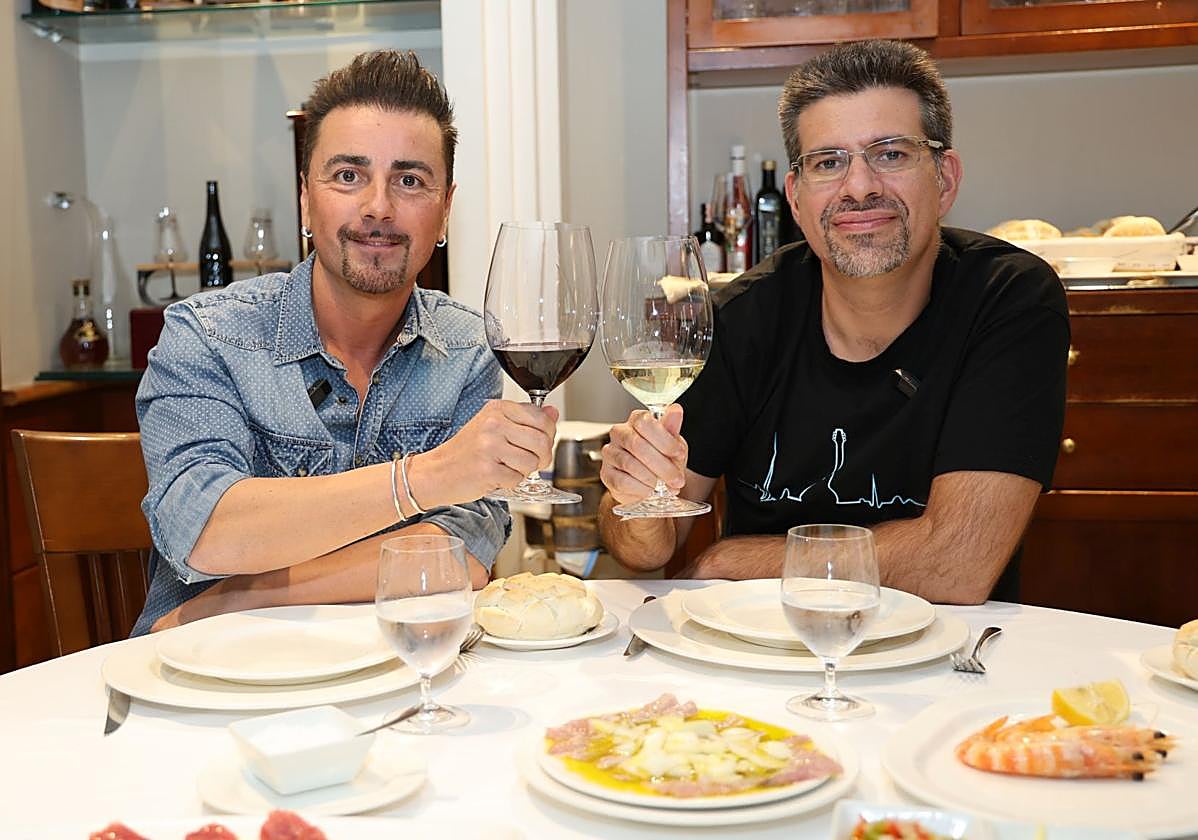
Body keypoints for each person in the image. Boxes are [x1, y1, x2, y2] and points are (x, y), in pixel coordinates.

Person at [598, 39, 1069, 604]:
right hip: (758, 653)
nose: (860, 186)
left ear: (944, 179)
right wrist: (638, 501)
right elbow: (647, 549)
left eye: (891, 154)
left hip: (946, 660)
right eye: (828, 162)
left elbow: (955, 567)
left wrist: (733, 559)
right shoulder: (741, 317)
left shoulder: (1008, 300)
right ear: (795, 198)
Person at [132, 50, 556, 634]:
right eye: (348, 176)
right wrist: (429, 477)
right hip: (208, 686)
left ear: (446, 211)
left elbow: (462, 556)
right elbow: (205, 531)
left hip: (394, 680)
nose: (378, 207)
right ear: (306, 198)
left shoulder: (468, 348)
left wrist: (239, 598)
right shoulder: (206, 337)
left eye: (409, 180)